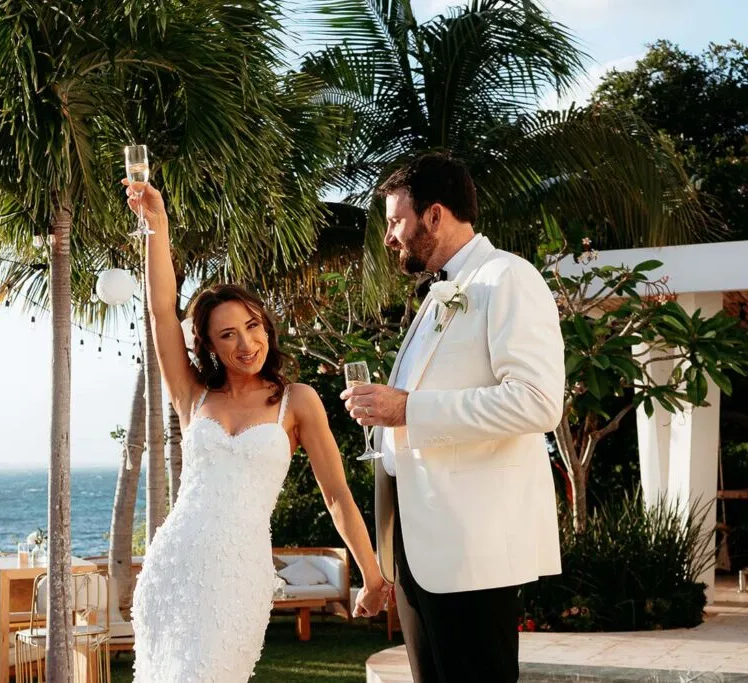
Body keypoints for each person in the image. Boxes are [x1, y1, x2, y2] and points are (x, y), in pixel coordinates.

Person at [123, 177, 389, 683]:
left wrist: (372, 576)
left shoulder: (298, 401)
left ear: (266, 325)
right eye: (228, 335)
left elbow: (336, 497)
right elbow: (161, 311)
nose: (246, 343)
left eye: (253, 326)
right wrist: (155, 225)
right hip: (174, 564)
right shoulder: (192, 394)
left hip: (238, 573)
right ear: (209, 345)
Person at [341, 153, 565, 682]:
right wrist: (388, 414)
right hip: (422, 550)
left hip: (471, 549)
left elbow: (537, 401)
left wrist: (407, 408)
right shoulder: (441, 292)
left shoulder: (506, 277)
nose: (389, 236)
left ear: (435, 215)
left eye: (396, 221)